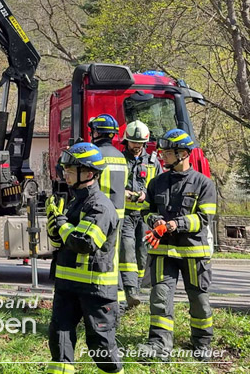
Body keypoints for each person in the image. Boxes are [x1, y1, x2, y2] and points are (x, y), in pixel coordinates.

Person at [138, 128, 216, 362]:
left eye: (168, 153)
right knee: (160, 298)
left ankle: (202, 343)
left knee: (199, 299)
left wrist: (174, 225)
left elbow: (204, 218)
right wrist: (155, 220)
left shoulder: (204, 184)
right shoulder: (157, 182)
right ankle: (159, 346)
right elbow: (146, 210)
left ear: (183, 153)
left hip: (194, 253)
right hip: (163, 253)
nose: (162, 156)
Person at [46, 142, 122, 374]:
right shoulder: (74, 201)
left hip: (95, 289)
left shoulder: (100, 206)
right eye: (65, 170)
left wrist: (63, 226)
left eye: (70, 170)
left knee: (100, 344)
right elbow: (66, 241)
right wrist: (55, 232)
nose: (66, 175)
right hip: (67, 285)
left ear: (89, 173)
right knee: (60, 339)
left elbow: (85, 243)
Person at [119, 120, 161, 309]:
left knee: (143, 253)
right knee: (127, 250)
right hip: (126, 214)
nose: (136, 146)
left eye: (140, 143)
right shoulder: (120, 161)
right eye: (133, 143)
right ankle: (130, 291)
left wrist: (147, 195)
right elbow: (110, 186)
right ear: (126, 141)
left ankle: (136, 288)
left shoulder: (153, 162)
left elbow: (161, 186)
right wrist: (124, 192)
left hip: (144, 215)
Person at [88, 114, 129, 306]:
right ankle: (120, 301)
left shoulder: (95, 155)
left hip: (100, 213)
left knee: (102, 257)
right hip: (119, 213)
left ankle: (106, 299)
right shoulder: (121, 156)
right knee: (115, 256)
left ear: (96, 132)